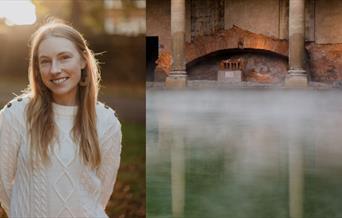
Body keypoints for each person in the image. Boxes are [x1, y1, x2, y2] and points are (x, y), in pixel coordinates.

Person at [0, 20, 122, 218]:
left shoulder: (107, 121)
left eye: (64, 57)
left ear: (83, 60)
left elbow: (100, 194)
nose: (54, 69)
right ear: (37, 68)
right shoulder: (16, 115)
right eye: (45, 61)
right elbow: (2, 185)